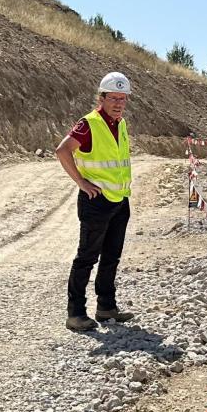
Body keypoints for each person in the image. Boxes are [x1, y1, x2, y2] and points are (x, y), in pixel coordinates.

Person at [55, 72, 137, 332]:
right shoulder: (88, 123)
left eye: (123, 99)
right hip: (96, 201)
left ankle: (106, 307)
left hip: (120, 201)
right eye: (113, 98)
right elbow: (62, 150)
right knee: (87, 257)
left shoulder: (120, 124)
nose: (118, 103)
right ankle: (76, 313)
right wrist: (82, 183)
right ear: (101, 98)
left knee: (112, 256)